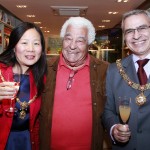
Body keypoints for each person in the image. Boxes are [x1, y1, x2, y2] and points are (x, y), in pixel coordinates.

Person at [39, 17, 109, 150]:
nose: (72, 46)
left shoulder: (105, 71)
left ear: (89, 44)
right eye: (68, 38)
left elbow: (112, 110)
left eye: (80, 41)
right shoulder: (44, 69)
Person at [102, 9, 150, 150]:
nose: (136, 35)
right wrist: (113, 128)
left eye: (142, 28)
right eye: (129, 31)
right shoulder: (114, 70)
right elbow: (107, 110)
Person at [0, 22, 47, 150]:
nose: (31, 48)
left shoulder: (42, 78)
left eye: (36, 43)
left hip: (29, 140)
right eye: (24, 42)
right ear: (14, 46)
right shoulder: (0, 72)